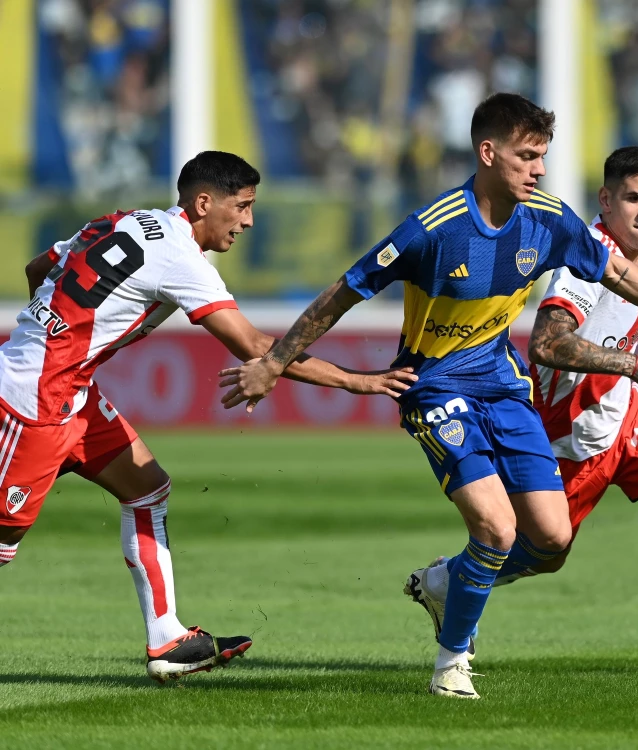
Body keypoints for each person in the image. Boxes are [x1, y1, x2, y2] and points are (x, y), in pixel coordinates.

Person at [218, 95, 638, 700]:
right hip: (435, 386)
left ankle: (445, 588)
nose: (540, 169)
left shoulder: (549, 218)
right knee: (496, 528)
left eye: (543, 156)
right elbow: (345, 291)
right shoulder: (432, 228)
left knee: (550, 539)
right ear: (488, 153)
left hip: (502, 383)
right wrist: (275, 363)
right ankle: (451, 664)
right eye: (528, 156)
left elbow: (624, 276)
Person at [1, 150, 417, 683]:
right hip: (34, 398)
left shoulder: (121, 221)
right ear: (204, 203)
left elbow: (40, 268)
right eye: (241, 207)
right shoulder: (180, 256)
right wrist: (362, 381)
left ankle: (167, 639)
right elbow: (257, 345)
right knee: (2, 547)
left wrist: (55, 329)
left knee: (147, 488)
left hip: (68, 390)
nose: (247, 220)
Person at [423, 145, 638, 658]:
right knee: (547, 552)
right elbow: (549, 344)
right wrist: (634, 365)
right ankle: (446, 581)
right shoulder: (584, 262)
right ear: (606, 199)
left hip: (627, 415)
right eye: (634, 198)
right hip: (571, 434)